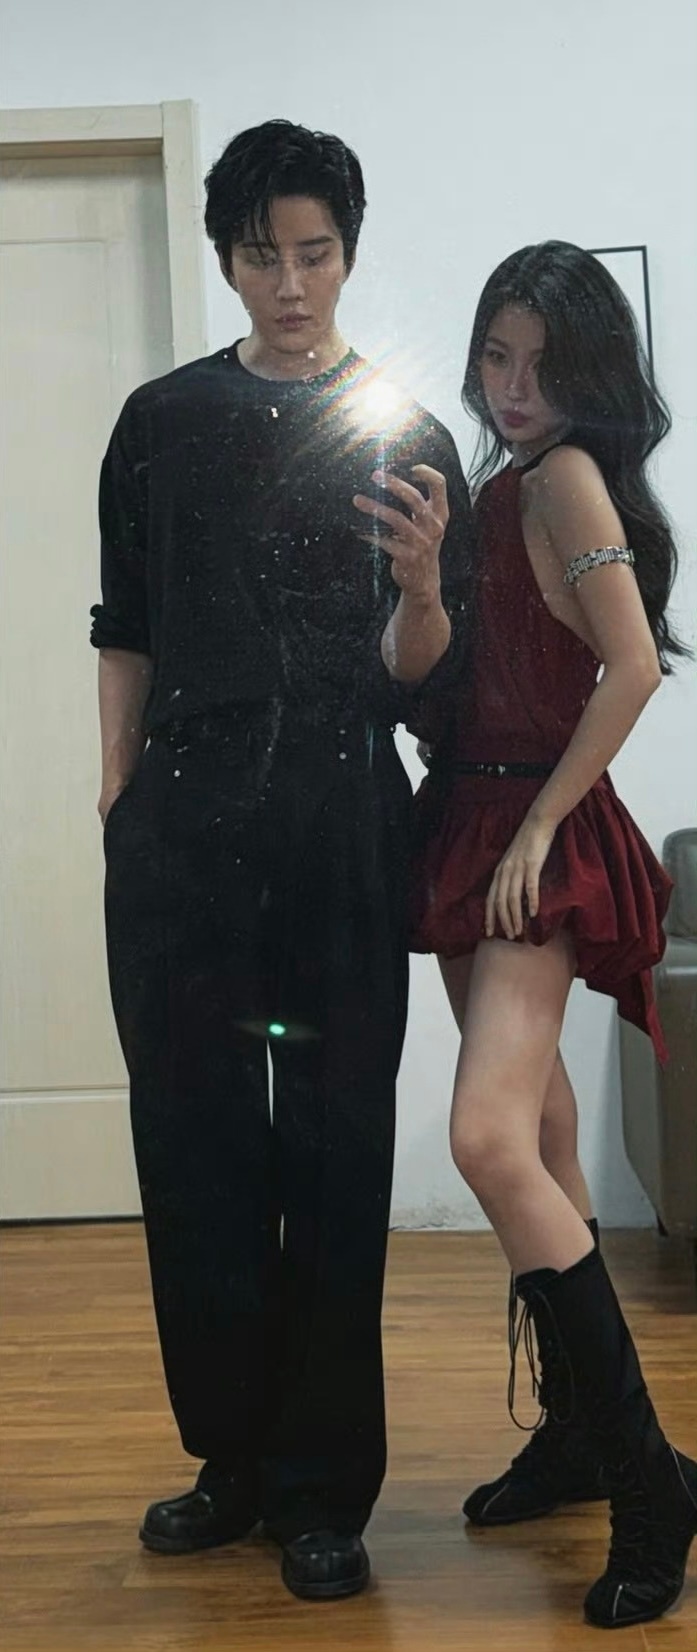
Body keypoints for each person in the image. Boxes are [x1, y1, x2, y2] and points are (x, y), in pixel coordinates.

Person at [91, 118, 474, 1601]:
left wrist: (426, 585)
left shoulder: (406, 433)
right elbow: (125, 623)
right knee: (192, 1142)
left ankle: (323, 1485)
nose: (291, 283)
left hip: (338, 816)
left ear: (348, 254)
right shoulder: (160, 420)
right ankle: (231, 1461)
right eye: (263, 255)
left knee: (332, 1145)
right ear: (227, 259)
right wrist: (116, 788)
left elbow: (422, 682)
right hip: (183, 821)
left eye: (315, 254)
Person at [405, 241, 696, 1629]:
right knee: (551, 1130)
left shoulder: (565, 474)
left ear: (591, 377)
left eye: (543, 365)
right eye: (495, 357)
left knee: (485, 1140)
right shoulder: (498, 485)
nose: (513, 388)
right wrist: (417, 583)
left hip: (529, 828)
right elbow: (436, 672)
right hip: (468, 817)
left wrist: (536, 830)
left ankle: (648, 1481)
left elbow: (631, 664)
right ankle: (583, 1437)